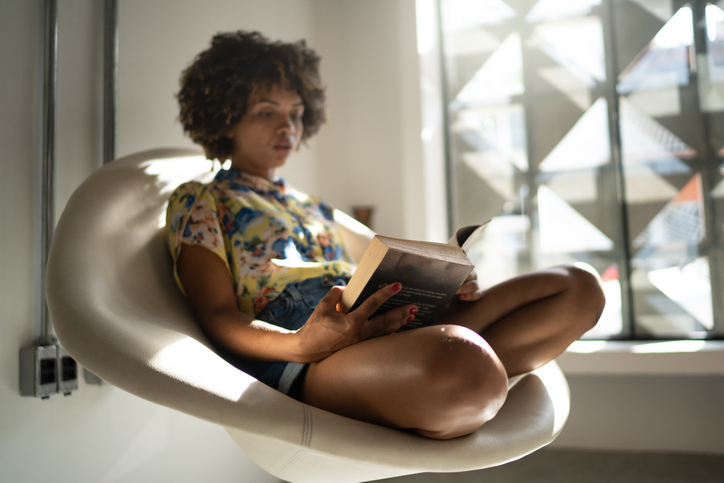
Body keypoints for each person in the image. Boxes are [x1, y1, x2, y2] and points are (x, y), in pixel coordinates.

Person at [166, 31, 605, 440]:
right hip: (311, 357)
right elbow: (218, 315)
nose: (288, 128)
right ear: (224, 119)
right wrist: (298, 344)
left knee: (579, 288)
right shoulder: (203, 199)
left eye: (296, 114)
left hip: (378, 322)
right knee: (465, 362)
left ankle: (433, 385)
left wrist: (440, 290)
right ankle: (445, 382)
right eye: (267, 113)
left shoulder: (312, 206)